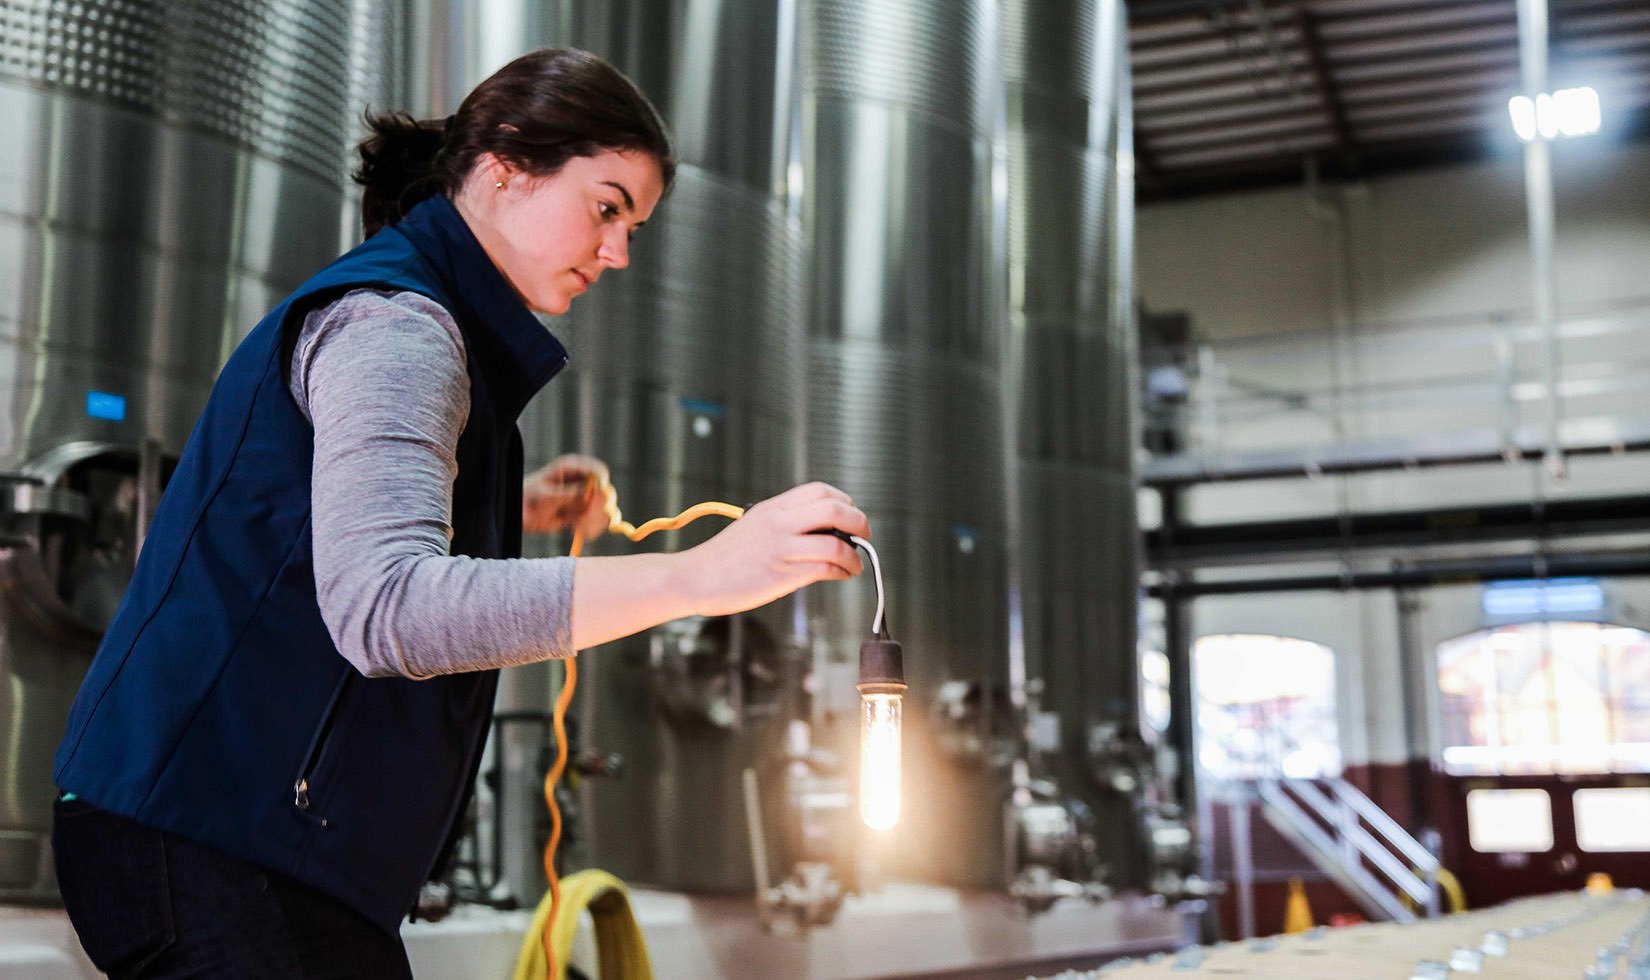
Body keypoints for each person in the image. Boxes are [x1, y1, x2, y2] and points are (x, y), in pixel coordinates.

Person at [51, 47, 869, 980]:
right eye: (606, 207)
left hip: (229, 835)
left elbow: (309, 532)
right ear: (503, 164)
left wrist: (503, 506)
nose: (618, 254)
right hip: (212, 833)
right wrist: (703, 575)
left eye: (633, 226)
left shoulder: (426, 321)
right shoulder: (399, 325)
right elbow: (386, 608)